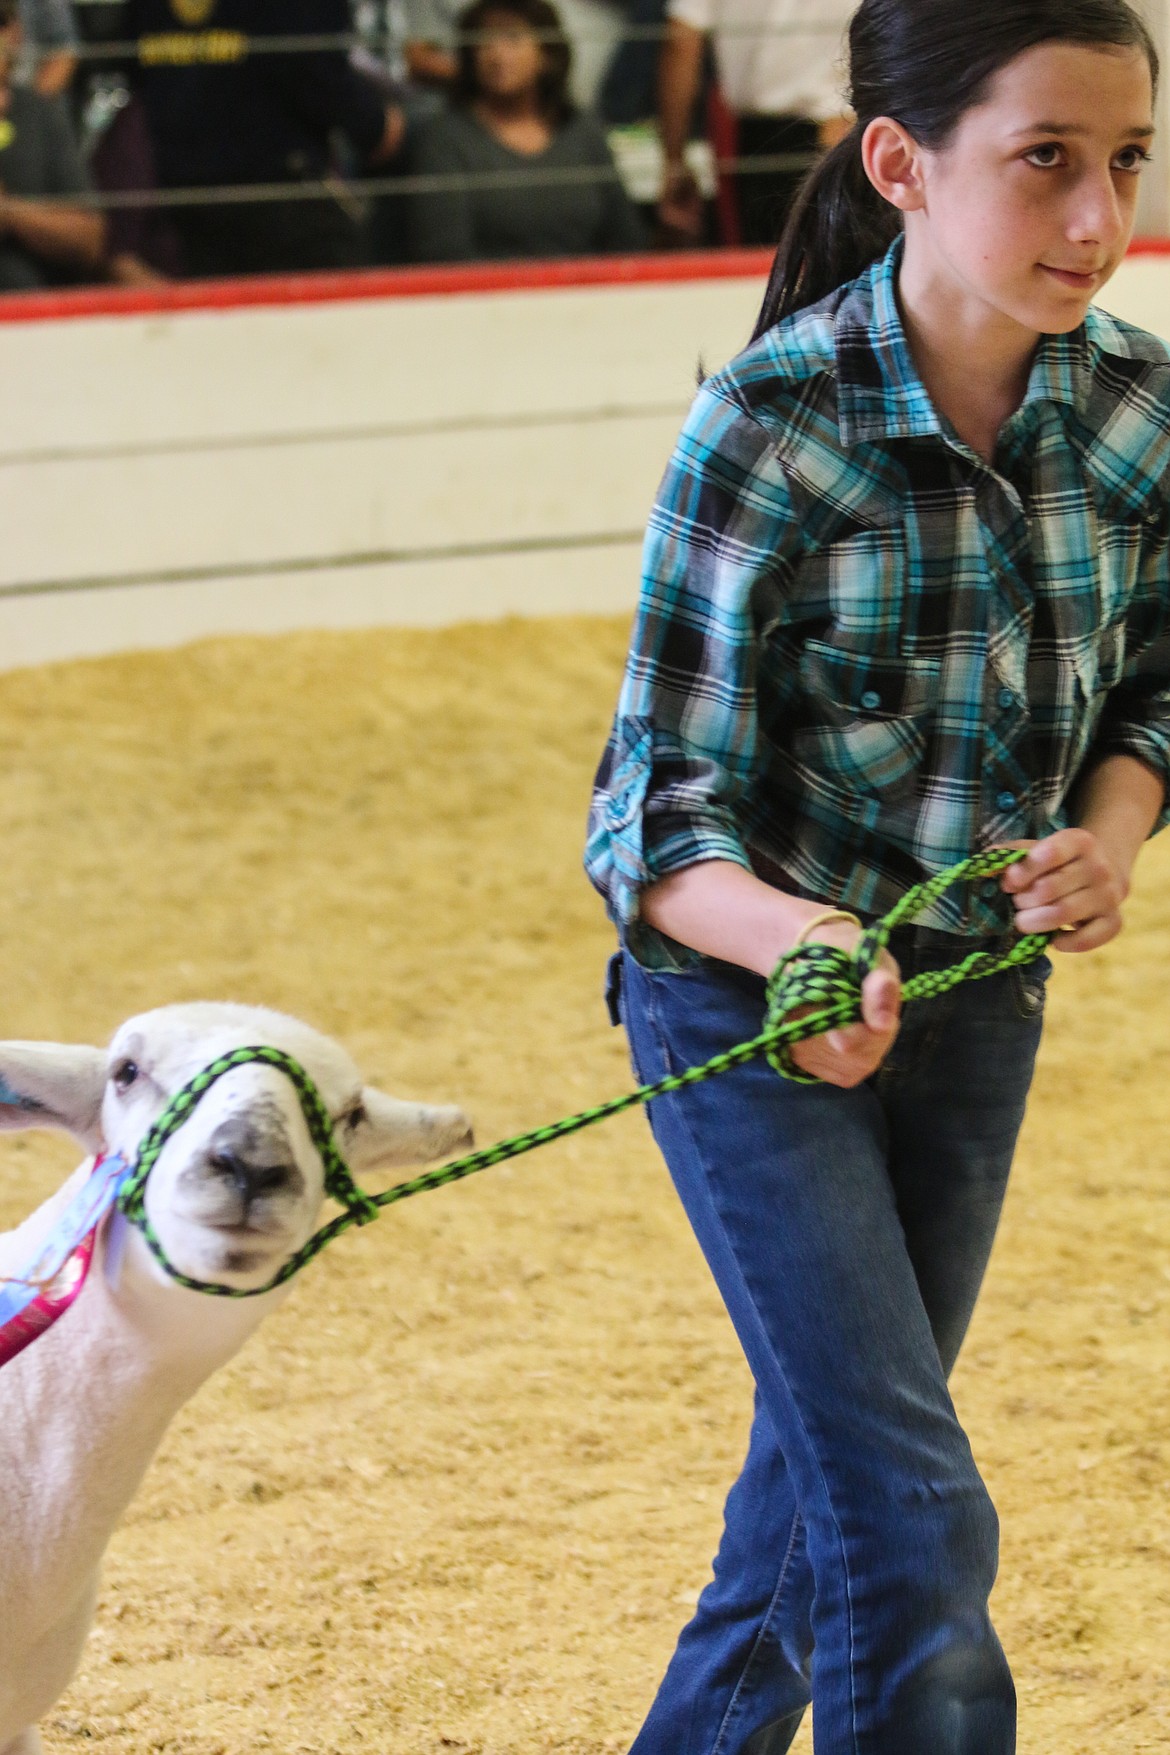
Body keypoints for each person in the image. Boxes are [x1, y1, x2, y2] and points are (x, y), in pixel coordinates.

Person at [585, 1, 1170, 1750]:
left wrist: (1115, 833)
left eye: (1127, 162)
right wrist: (804, 947)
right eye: (1045, 162)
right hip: (740, 1007)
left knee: (816, 1512)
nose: (1097, 219)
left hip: (981, 1004)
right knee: (910, 1515)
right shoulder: (767, 425)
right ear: (899, 165)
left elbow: (1158, 685)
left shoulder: (1146, 417)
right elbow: (652, 814)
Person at [120, 0, 406, 277]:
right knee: (341, 302)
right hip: (279, 184)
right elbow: (313, 63)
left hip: (184, 190)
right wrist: (373, 125)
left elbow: (131, 61)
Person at [409, 0, 644, 261]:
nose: (497, 54)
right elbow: (446, 256)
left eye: (512, 38)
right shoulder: (445, 140)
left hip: (589, 294)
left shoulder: (583, 131)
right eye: (484, 42)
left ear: (546, 53)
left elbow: (626, 239)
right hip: (490, 297)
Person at [656, 0, 854, 244]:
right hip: (851, 129)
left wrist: (674, 160)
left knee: (772, 270)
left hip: (773, 140)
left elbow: (682, 40)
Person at [0, 0, 103, 290]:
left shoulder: (40, 114)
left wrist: (10, 213)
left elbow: (89, 242)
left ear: (17, 34)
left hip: (38, 314)